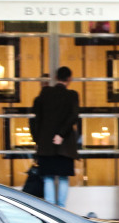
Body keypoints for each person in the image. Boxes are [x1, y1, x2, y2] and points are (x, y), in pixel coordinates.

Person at [28, 66, 80, 207]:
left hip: (46, 144)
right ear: (69, 79)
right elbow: (73, 117)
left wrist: (37, 139)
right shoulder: (72, 95)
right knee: (63, 177)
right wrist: (61, 135)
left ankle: (51, 208)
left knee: (48, 177)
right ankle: (62, 208)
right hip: (65, 146)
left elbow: (34, 119)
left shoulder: (45, 94)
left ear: (56, 77)